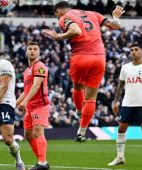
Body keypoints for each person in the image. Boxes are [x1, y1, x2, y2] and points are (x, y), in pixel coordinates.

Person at [42, 1, 125, 142]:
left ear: (59, 11)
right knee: (91, 98)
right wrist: (116, 16)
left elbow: (76, 31)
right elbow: (116, 25)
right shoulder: (93, 14)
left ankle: (79, 110)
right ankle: (82, 131)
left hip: (81, 56)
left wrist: (58, 37)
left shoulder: (65, 16)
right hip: (99, 58)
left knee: (78, 88)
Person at [108, 44, 142, 166]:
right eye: (131, 50)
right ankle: (120, 157)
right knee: (121, 128)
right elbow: (120, 86)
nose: (133, 52)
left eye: (136, 50)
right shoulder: (125, 67)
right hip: (128, 103)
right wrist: (116, 102)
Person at [16, 42, 50, 170]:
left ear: (38, 52)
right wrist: (16, 102)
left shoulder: (40, 66)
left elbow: (36, 86)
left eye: (35, 49)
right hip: (30, 107)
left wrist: (24, 102)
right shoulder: (26, 71)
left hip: (40, 105)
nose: (32, 51)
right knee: (28, 134)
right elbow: (26, 90)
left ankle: (42, 162)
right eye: (29, 49)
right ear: (26, 52)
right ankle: (42, 162)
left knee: (37, 132)